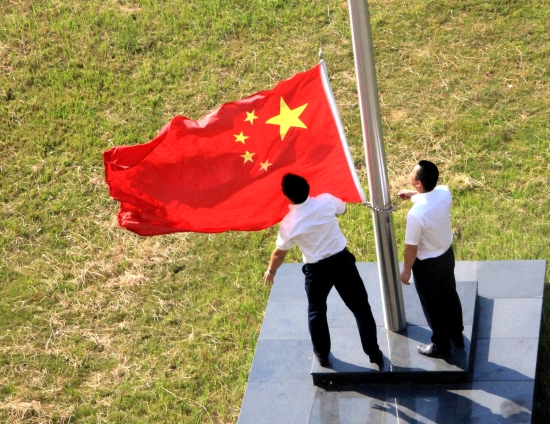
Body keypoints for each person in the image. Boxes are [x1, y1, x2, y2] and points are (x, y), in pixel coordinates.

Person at [263, 173, 383, 368]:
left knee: (317, 313)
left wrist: (271, 270)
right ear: (307, 187)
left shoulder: (289, 224)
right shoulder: (326, 201)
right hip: (343, 263)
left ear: (286, 196)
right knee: (361, 308)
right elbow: (343, 209)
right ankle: (374, 354)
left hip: (316, 272)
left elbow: (279, 253)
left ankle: (323, 356)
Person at [398, 160, 464, 358]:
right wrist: (414, 195)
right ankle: (456, 334)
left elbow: (411, 248)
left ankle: (440, 346)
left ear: (419, 183)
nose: (410, 172)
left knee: (433, 306)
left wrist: (406, 271)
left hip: (426, 266)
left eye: (412, 171)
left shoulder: (416, 215)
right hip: (446, 256)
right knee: (450, 296)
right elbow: (430, 198)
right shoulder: (444, 192)